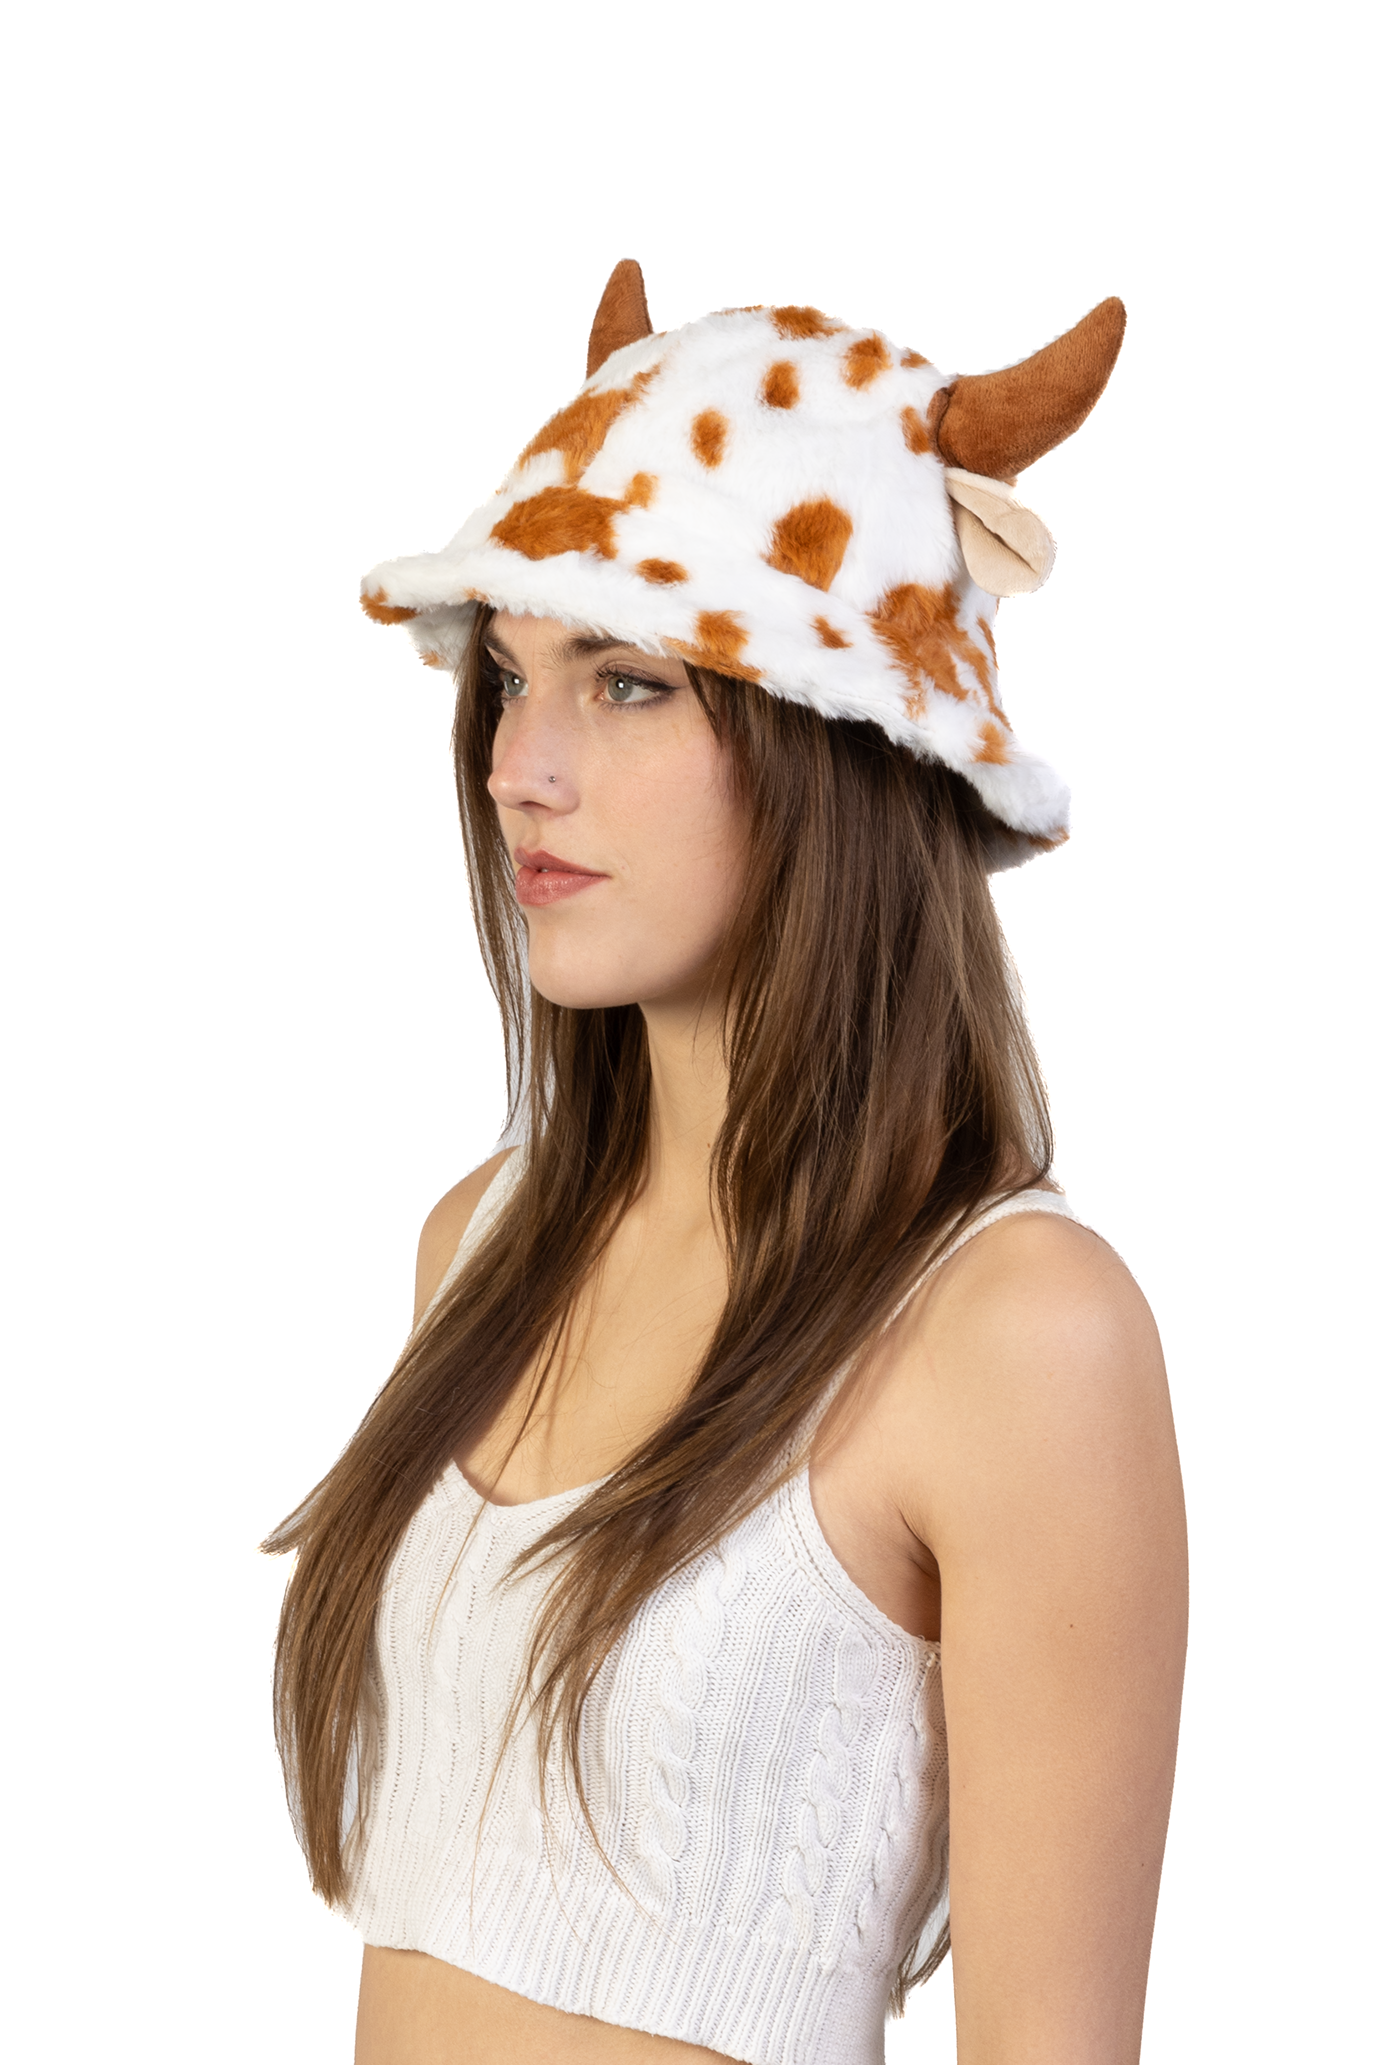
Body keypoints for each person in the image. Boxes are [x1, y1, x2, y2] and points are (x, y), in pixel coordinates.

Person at [266, 262, 1187, 2065]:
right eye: (511, 676)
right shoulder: (481, 1246)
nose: (519, 768)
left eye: (627, 682)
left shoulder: (1018, 1335)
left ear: (838, 737)